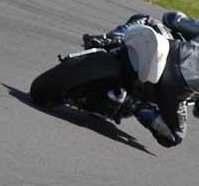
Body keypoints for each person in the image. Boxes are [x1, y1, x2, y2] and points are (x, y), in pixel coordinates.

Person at [83, 11, 199, 147]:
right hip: (173, 81)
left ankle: (109, 39)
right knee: (174, 136)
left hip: (169, 49)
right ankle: (133, 103)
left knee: (145, 19)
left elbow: (172, 18)